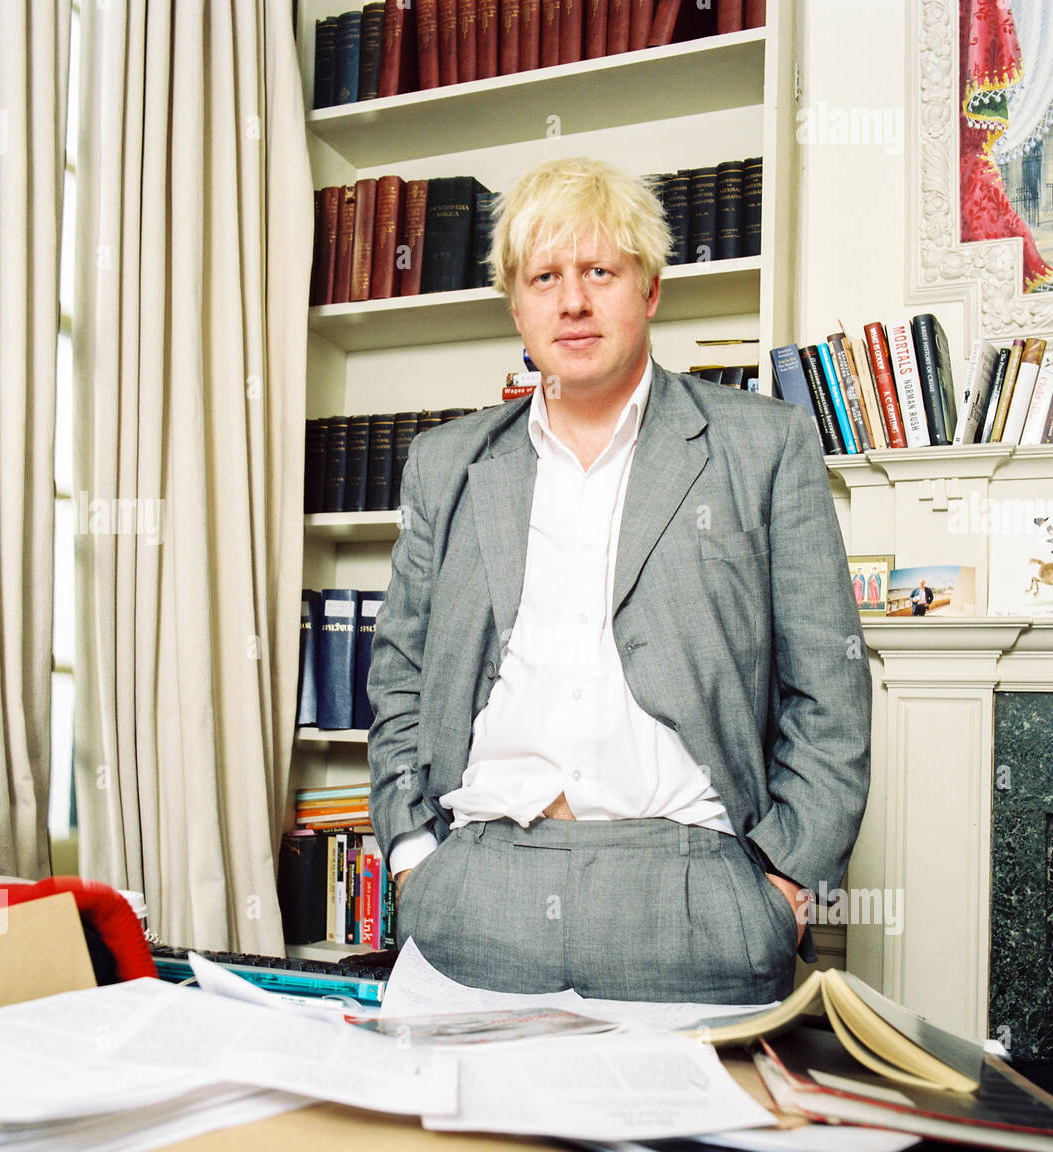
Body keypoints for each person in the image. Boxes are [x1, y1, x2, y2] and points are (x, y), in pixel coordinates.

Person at [366, 157, 871, 1005]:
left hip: (692, 889)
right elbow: (400, 675)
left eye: (599, 271)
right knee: (453, 1137)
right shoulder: (444, 463)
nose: (572, 301)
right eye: (545, 277)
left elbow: (830, 687)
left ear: (649, 289)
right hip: (476, 885)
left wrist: (781, 885)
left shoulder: (763, 446)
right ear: (516, 304)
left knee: (690, 1144)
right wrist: (416, 861)